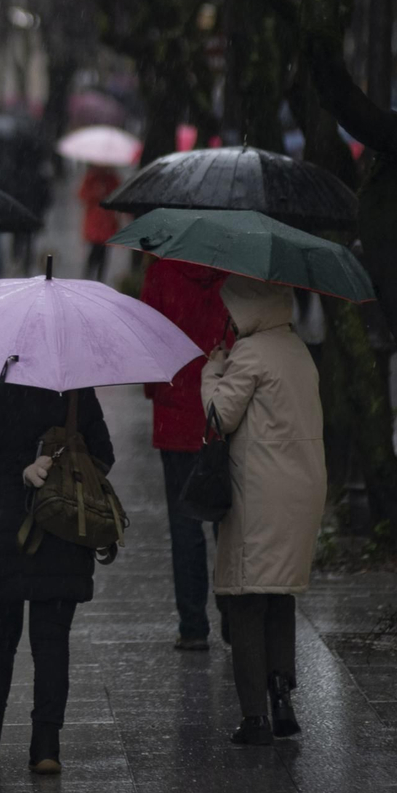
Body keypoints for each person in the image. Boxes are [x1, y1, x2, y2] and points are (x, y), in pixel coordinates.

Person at [0, 383, 114, 774]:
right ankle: (46, 745)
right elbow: (103, 456)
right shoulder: (76, 391)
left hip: (5, 534)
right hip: (62, 534)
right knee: (51, 643)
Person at [201, 276, 325, 746]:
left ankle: (254, 716)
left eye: (234, 306)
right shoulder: (298, 350)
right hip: (301, 490)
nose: (230, 316)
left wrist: (211, 372)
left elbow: (218, 417)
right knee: (279, 594)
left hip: (260, 492)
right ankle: (280, 691)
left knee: (247, 597)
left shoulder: (251, 355)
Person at [139, 257, 230, 651]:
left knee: (184, 525)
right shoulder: (233, 273)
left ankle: (193, 626)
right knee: (227, 524)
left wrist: (157, 391)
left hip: (175, 417)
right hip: (224, 415)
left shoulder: (162, 272)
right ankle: (234, 622)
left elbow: (145, 341)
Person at [77, 165, 122, 282]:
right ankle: (89, 276)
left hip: (107, 221)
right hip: (94, 220)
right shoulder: (91, 178)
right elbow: (82, 195)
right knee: (94, 250)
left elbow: (119, 195)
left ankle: (99, 278)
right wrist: (95, 193)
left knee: (104, 252)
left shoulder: (112, 179)